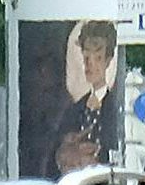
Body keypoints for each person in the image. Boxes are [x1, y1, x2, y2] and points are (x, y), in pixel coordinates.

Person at [51, 20, 119, 175]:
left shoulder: (113, 107)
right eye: (86, 57)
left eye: (98, 58)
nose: (90, 64)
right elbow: (57, 154)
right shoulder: (75, 108)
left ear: (108, 61)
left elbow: (113, 148)